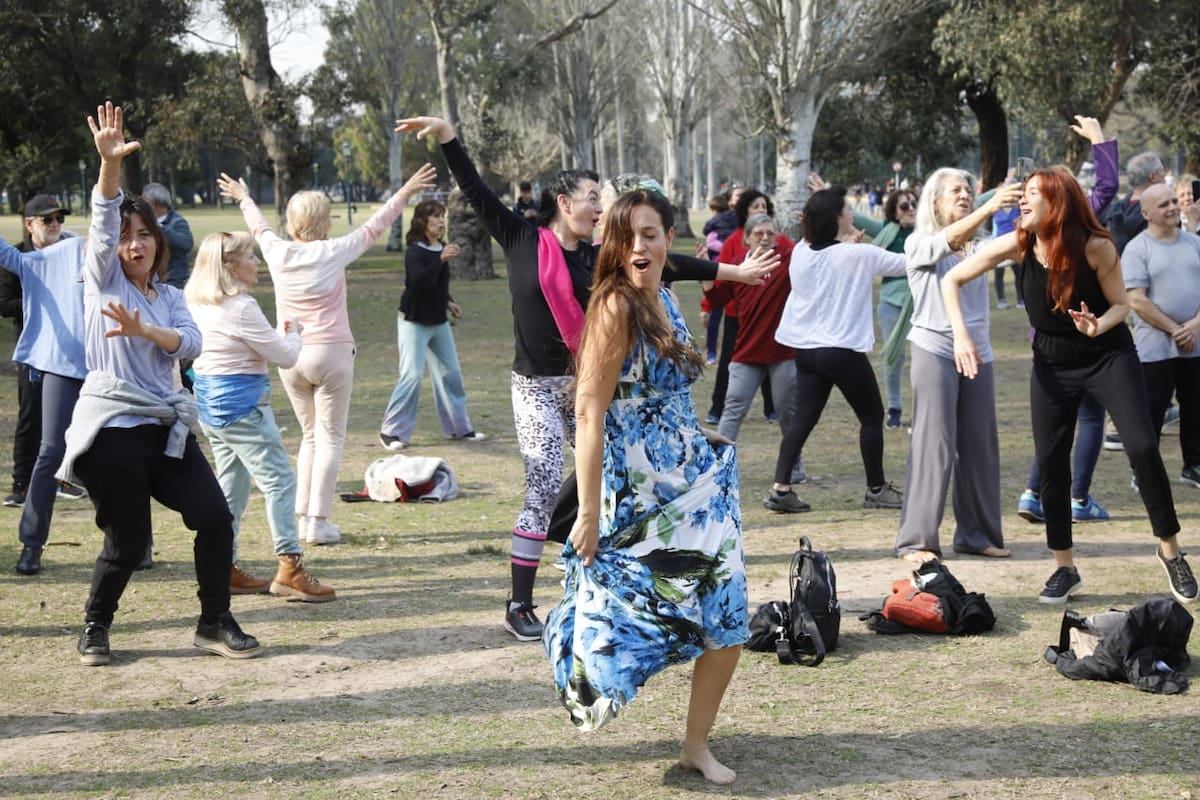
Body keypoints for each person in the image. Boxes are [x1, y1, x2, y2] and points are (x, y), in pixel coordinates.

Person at [396, 114, 774, 642]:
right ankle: (518, 602)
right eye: (592, 195)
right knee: (546, 479)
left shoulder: (603, 259)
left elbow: (671, 264)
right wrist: (446, 138)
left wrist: (734, 273)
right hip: (534, 386)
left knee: (610, 472)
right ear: (564, 202)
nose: (601, 206)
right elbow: (475, 188)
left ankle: (600, 569)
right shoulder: (521, 239)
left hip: (582, 387)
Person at [544, 189, 746, 786]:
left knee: (727, 611)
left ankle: (695, 746)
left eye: (651, 234)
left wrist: (701, 432)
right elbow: (590, 409)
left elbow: (663, 394)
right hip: (641, 491)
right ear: (613, 244)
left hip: (695, 480)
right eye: (629, 236)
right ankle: (576, 650)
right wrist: (585, 510)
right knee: (635, 609)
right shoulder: (615, 306)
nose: (640, 245)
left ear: (667, 240)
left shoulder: (667, 298)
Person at [59, 102, 261, 665]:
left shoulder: (172, 298)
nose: (134, 245)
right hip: (113, 430)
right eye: (126, 237)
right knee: (129, 543)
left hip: (165, 425)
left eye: (144, 234)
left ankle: (213, 620)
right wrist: (109, 167)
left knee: (214, 517)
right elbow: (101, 222)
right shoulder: (100, 283)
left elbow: (191, 345)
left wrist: (149, 330)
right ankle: (95, 627)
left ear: (158, 240)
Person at [941, 165, 1199, 605]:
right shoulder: (1020, 245)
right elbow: (952, 278)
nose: (1022, 202)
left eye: (1031, 195)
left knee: (1141, 445)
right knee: (1051, 461)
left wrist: (1098, 325)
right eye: (1022, 195)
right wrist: (961, 335)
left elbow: (1122, 305)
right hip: (1052, 363)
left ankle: (1170, 550)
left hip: (1107, 354)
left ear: (1057, 202)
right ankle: (1065, 567)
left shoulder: (1096, 247)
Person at [219, 159, 437, 548]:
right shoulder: (333, 251)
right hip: (331, 352)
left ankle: (303, 518)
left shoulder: (276, 252)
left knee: (309, 437)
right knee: (330, 437)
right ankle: (317, 522)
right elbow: (376, 226)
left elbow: (258, 228)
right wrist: (405, 192)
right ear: (323, 221)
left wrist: (245, 198)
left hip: (291, 356)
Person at [185, 231, 336, 602]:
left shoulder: (197, 302)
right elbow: (285, 356)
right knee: (281, 482)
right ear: (229, 266)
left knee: (231, 487)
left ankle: (225, 567)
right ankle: (290, 568)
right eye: (249, 257)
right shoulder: (241, 308)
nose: (256, 263)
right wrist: (295, 333)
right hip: (244, 409)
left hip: (210, 407)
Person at [892, 169, 1023, 563]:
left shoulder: (980, 246)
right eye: (956, 191)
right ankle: (916, 541)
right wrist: (989, 204)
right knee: (935, 444)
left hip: (978, 352)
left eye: (969, 189)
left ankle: (976, 534)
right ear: (935, 202)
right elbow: (949, 240)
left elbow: (1021, 242)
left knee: (980, 444)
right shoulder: (919, 243)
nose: (965, 194)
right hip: (934, 349)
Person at [768, 186, 906, 513]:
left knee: (803, 419)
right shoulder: (856, 255)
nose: (851, 214)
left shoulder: (802, 250)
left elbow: (830, 258)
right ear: (835, 219)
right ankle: (875, 489)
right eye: (847, 210)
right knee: (872, 417)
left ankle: (780, 489)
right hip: (840, 350)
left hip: (807, 351)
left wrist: (847, 247)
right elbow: (907, 264)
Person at [1017, 116, 1120, 524]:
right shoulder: (1071, 224)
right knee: (1091, 415)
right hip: (1082, 332)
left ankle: (1031, 493)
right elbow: (1108, 188)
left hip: (1044, 336)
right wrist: (1098, 140)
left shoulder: (1026, 227)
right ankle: (1078, 498)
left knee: (1055, 423)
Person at [2, 206, 87, 576]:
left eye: (59, 219)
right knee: (51, 450)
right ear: (31, 223)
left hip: (104, 368)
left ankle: (135, 542)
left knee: (114, 452)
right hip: (59, 368)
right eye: (47, 219)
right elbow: (6, 256)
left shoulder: (89, 249)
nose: (55, 224)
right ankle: (31, 545)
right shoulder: (34, 262)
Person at [378, 199, 482, 450]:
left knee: (451, 374)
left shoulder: (442, 248)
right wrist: (441, 260)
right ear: (422, 221)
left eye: (441, 216)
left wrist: (449, 302)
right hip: (414, 321)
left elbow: (437, 285)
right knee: (412, 376)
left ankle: (459, 428)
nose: (439, 221)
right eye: (434, 216)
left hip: (438, 320)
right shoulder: (415, 250)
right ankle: (391, 432)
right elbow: (417, 282)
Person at [1122, 183, 1200, 489]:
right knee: (1151, 409)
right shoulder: (1137, 249)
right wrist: (1176, 329)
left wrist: (1194, 326)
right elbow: (1137, 300)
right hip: (1155, 347)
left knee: (1195, 407)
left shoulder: (1194, 243)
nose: (1171, 208)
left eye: (1173, 202)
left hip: (1195, 344)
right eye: (1163, 204)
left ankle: (1193, 464)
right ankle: (1144, 469)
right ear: (1145, 213)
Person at [854, 187, 917, 428]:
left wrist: (998, 193)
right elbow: (853, 216)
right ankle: (894, 408)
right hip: (891, 303)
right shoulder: (885, 231)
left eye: (913, 203)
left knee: (926, 358)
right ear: (894, 212)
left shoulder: (928, 232)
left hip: (922, 302)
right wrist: (824, 192)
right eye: (904, 206)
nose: (911, 208)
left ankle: (923, 408)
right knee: (895, 357)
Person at [142, 182, 194, 289]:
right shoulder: (142, 223)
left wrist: (159, 228)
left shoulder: (177, 221)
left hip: (174, 282)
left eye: (144, 201)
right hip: (151, 281)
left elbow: (186, 244)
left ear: (152, 203)